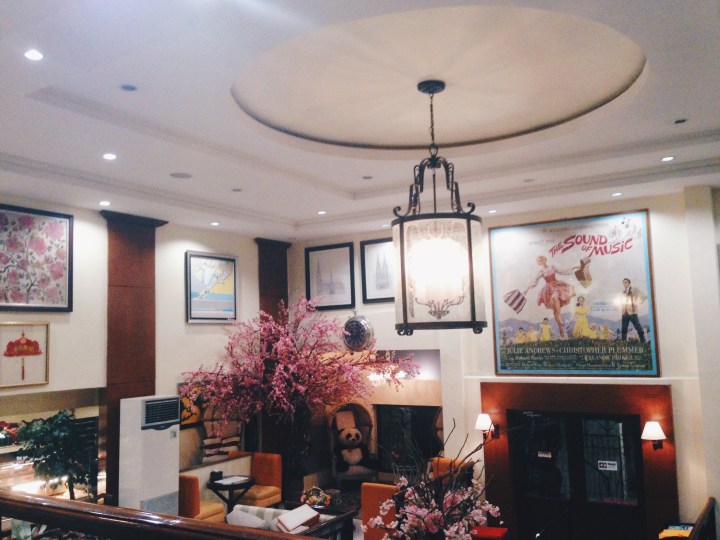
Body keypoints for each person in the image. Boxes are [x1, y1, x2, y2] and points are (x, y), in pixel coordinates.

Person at [524, 256, 577, 338]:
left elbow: (563, 271)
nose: (541, 261)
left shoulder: (552, 267)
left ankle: (560, 318)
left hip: (556, 286)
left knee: (556, 297)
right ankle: (560, 328)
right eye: (539, 261)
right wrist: (526, 289)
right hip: (548, 290)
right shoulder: (541, 271)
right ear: (539, 263)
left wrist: (573, 268)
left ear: (545, 259)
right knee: (555, 311)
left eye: (542, 259)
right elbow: (534, 281)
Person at [621, 278, 647, 342]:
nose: (624, 283)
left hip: (632, 312)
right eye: (623, 282)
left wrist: (637, 303)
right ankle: (623, 343)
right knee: (624, 328)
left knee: (638, 327)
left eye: (626, 282)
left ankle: (643, 341)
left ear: (629, 283)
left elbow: (644, 296)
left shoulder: (634, 289)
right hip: (624, 313)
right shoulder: (623, 292)